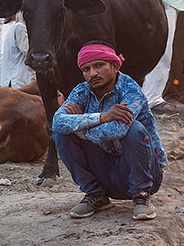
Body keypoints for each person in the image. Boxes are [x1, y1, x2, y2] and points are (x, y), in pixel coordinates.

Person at [52, 42, 166, 221]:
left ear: (114, 66)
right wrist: (102, 117)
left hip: (144, 172)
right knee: (61, 134)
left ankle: (141, 196)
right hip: (106, 170)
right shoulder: (81, 91)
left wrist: (80, 127)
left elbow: (118, 129)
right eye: (86, 69)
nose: (92, 74)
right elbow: (57, 122)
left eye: (99, 65)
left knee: (134, 129)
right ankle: (95, 194)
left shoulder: (130, 90)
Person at [1, 20, 34, 88]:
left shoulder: (13, 29)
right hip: (17, 82)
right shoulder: (20, 28)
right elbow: (28, 52)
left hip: (12, 81)